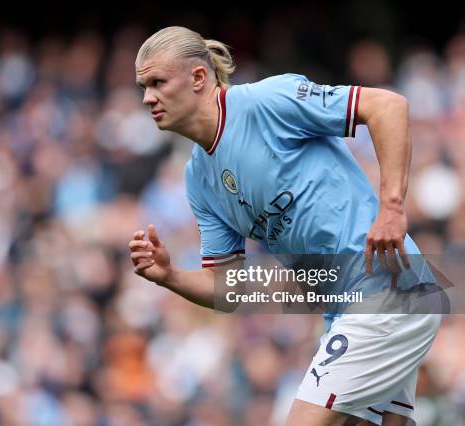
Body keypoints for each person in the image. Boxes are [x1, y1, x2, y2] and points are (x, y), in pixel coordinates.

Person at [128, 26, 440, 426]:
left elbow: (388, 106)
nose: (147, 97)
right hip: (344, 311)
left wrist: (392, 208)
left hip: (387, 290)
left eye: (157, 82)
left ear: (198, 78)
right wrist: (169, 275)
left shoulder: (266, 101)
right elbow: (230, 289)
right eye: (143, 86)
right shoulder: (198, 178)